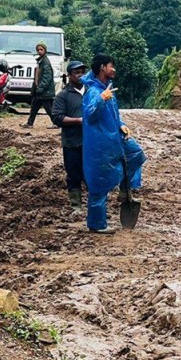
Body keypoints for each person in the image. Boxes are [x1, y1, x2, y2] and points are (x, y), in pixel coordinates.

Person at [82, 54, 146, 234]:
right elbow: (90, 115)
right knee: (99, 182)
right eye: (111, 66)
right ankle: (97, 224)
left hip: (114, 138)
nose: (114, 69)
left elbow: (114, 116)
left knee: (136, 154)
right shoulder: (94, 92)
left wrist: (121, 125)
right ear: (103, 68)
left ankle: (125, 188)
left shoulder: (108, 89)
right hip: (100, 143)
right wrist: (101, 98)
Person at [52, 61, 87, 212]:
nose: (80, 75)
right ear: (69, 76)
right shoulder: (63, 96)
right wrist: (78, 121)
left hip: (90, 142)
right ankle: (76, 206)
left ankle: (94, 205)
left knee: (91, 173)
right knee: (73, 174)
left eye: (82, 72)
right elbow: (57, 118)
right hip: (71, 141)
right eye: (76, 73)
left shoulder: (91, 92)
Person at [22, 42, 57, 129]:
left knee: (48, 108)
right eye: (38, 50)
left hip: (44, 91)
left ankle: (56, 123)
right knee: (34, 107)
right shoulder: (41, 61)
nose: (39, 51)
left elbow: (47, 77)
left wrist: (40, 88)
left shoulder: (45, 62)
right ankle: (30, 123)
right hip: (40, 90)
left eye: (41, 49)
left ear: (45, 51)